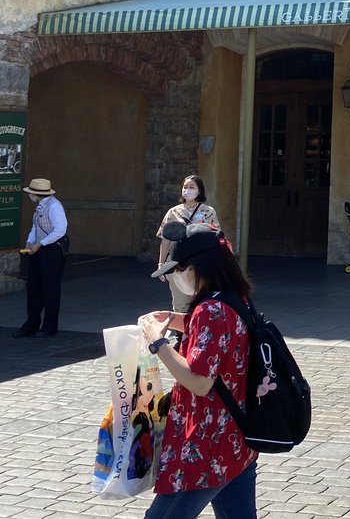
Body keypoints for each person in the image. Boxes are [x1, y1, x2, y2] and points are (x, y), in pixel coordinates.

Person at [142, 224, 257, 517]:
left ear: (198, 267)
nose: (176, 278)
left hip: (204, 444)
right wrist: (173, 319)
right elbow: (217, 336)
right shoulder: (234, 297)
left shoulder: (210, 310)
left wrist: (158, 343)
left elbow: (199, 381)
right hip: (236, 437)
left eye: (179, 270)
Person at [13, 178, 68, 338]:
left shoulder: (54, 206)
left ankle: (49, 326)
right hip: (39, 248)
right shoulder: (39, 207)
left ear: (36, 194)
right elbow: (35, 227)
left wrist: (41, 243)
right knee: (34, 287)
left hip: (52, 250)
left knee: (50, 288)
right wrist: (30, 241)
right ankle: (31, 324)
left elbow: (60, 230)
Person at [156, 175, 221, 312]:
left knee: (202, 303)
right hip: (178, 263)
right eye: (185, 187)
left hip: (201, 263)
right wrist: (161, 263)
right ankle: (181, 325)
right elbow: (165, 239)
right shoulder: (173, 212)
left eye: (192, 187)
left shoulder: (208, 212)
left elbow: (216, 237)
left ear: (199, 191)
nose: (187, 190)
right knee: (180, 304)